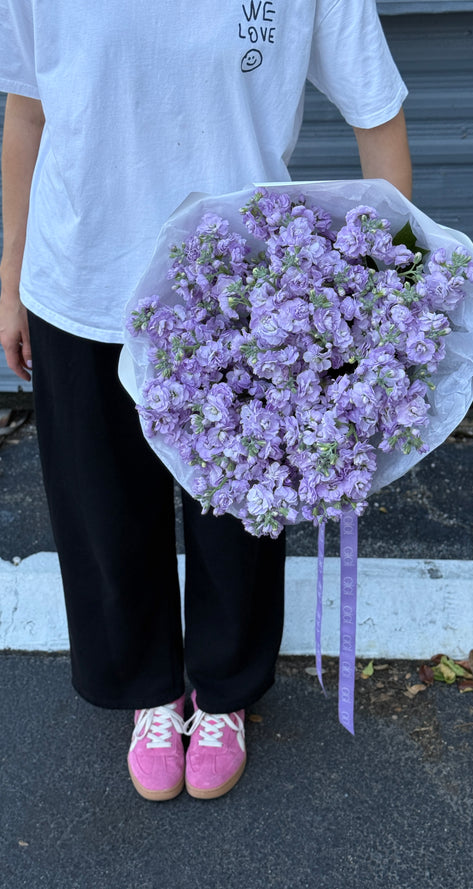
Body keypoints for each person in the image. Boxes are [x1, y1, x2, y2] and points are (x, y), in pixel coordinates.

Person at [0, 0, 412, 801]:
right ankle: (151, 690)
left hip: (236, 292)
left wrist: (382, 290)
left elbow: (379, 109)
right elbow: (26, 108)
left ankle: (223, 692)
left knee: (238, 520)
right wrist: (8, 272)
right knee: (105, 507)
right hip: (83, 276)